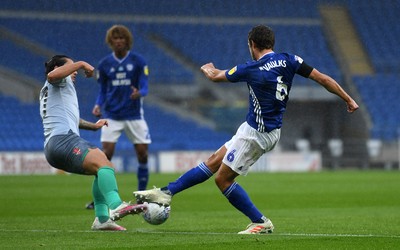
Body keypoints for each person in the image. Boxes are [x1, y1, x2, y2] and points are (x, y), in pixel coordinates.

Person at [133, 25, 359, 234]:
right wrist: (348, 98)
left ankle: (260, 221)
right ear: (271, 43)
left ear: (252, 44)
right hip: (257, 128)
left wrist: (208, 68)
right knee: (213, 161)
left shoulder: (251, 68)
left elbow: (215, 76)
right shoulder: (290, 60)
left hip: (257, 135)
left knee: (222, 180)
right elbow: (322, 78)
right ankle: (166, 192)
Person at [39, 55, 146, 231]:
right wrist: (81, 63)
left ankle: (102, 219)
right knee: (103, 163)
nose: (75, 72)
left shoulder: (50, 91)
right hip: (63, 141)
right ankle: (117, 205)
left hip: (54, 145)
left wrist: (93, 126)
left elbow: (71, 119)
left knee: (102, 167)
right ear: (58, 68)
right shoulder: (57, 81)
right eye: (70, 67)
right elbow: (52, 76)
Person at [86, 25, 151, 210]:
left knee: (143, 154)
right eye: (116, 38)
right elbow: (103, 90)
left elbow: (145, 87)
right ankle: (99, 199)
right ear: (111, 42)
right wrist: (98, 104)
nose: (119, 41)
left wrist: (139, 93)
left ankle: (142, 194)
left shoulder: (139, 61)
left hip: (134, 115)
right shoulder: (105, 64)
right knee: (104, 157)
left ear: (127, 40)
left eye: (122, 38)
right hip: (112, 115)